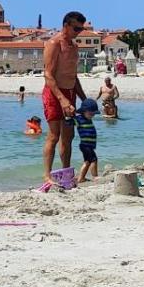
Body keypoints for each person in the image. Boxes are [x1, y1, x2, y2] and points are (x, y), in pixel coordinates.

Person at [41, 11, 89, 187]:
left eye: (81, 29)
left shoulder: (74, 47)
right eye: (76, 28)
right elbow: (48, 75)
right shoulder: (54, 44)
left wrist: (84, 99)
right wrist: (61, 99)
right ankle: (47, 175)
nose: (78, 32)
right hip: (54, 93)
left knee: (68, 136)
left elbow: (73, 76)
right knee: (54, 135)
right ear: (66, 25)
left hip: (70, 92)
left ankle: (66, 172)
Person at [75, 98, 99, 183]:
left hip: (89, 145)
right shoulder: (79, 119)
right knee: (92, 160)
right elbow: (69, 121)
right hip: (85, 145)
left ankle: (83, 177)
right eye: (91, 113)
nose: (92, 115)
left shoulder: (88, 119)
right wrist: (68, 117)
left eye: (93, 114)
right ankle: (93, 177)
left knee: (89, 161)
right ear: (84, 111)